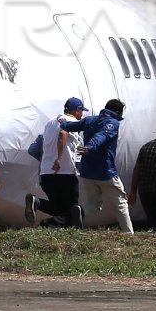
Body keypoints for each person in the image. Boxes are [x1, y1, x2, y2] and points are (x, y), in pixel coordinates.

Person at [61, 99, 132, 232]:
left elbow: (71, 127)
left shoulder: (90, 120)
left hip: (87, 171)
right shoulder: (112, 122)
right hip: (105, 172)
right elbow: (102, 136)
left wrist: (64, 124)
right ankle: (129, 235)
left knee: (94, 205)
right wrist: (89, 147)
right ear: (118, 111)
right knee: (121, 204)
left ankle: (80, 212)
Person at [25, 97, 85, 227]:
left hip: (46, 172)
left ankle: (37, 202)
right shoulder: (73, 122)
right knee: (72, 210)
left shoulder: (49, 123)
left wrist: (46, 160)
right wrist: (59, 159)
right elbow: (63, 133)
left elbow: (34, 149)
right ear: (77, 110)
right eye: (82, 111)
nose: (82, 115)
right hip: (65, 171)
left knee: (57, 208)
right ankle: (46, 225)